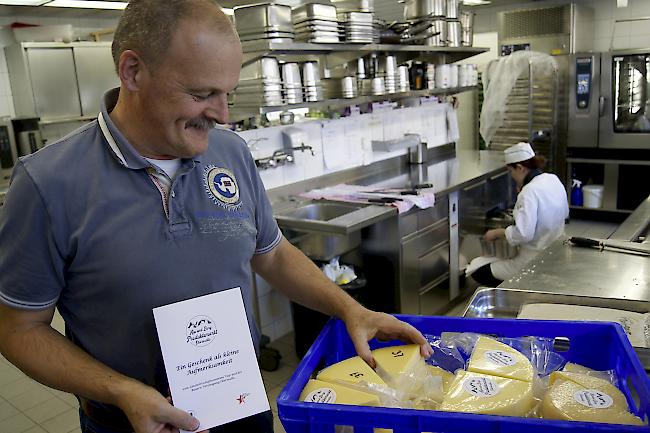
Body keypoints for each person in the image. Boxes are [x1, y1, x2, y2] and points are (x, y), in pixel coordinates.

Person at [0, 1, 432, 433]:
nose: (222, 114)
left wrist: (349, 309)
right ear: (132, 72)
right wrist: (120, 391)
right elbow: (19, 330)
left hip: (239, 407)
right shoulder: (48, 183)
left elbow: (272, 253)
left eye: (227, 93)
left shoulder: (230, 151)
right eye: (201, 94)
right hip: (128, 424)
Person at [468, 142, 569, 286]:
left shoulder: (529, 192)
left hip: (532, 261)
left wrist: (498, 232)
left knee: (478, 271)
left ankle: (513, 294)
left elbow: (523, 234)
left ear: (520, 168)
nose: (512, 176)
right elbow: (565, 213)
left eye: (511, 171)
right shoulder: (552, 179)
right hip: (555, 253)